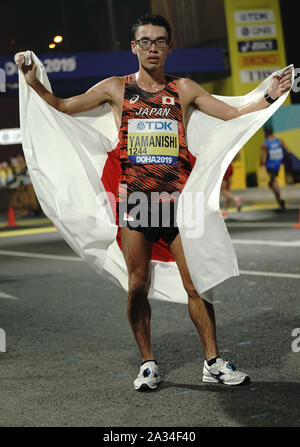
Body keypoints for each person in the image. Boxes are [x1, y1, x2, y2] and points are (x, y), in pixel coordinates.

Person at [16, 14, 292, 391]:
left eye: (160, 41)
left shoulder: (185, 89)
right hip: (135, 205)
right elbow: (63, 106)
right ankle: (148, 363)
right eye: (145, 41)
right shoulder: (116, 88)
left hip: (178, 204)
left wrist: (269, 95)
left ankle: (212, 362)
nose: (152, 48)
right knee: (136, 286)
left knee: (197, 286)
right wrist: (33, 81)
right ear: (134, 47)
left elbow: (232, 114)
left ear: (169, 46)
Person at [260, 124, 289, 211]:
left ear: (265, 133)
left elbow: (262, 159)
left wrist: (262, 163)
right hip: (278, 165)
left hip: (270, 166)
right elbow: (287, 151)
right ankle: (280, 202)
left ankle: (280, 202)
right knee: (272, 182)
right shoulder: (279, 141)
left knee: (273, 183)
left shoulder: (265, 144)